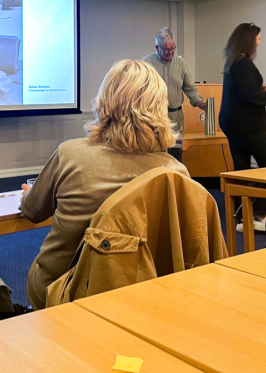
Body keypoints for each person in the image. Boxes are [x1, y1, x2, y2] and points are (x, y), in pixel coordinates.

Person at [20, 59, 189, 310]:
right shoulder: (176, 174)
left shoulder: (70, 155)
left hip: (62, 293)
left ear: (105, 101)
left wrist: (29, 195)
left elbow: (32, 212)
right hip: (143, 294)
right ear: (160, 109)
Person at [218, 23, 266, 232]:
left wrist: (259, 89)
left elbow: (245, 93)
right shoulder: (245, 65)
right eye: (258, 38)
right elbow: (252, 97)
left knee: (242, 171)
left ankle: (241, 217)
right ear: (249, 40)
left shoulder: (233, 64)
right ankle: (258, 214)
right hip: (248, 126)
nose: (259, 41)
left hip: (233, 125)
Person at [141, 27, 206, 161]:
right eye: (166, 49)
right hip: (154, 118)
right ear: (157, 47)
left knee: (175, 155)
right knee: (154, 155)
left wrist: (199, 102)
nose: (170, 52)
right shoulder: (146, 64)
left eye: (172, 48)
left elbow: (190, 88)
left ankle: (175, 180)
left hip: (176, 118)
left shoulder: (181, 64)